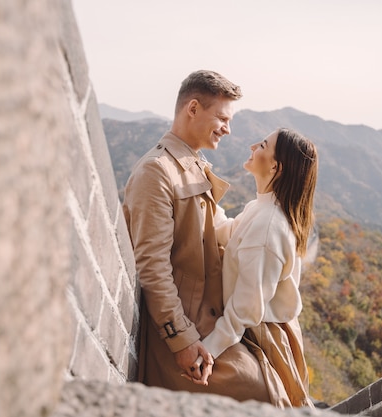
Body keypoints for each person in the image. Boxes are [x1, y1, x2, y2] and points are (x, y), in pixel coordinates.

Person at [123, 70, 270, 401]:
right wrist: (183, 341)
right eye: (221, 117)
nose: (227, 129)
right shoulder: (156, 171)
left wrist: (272, 220)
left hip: (208, 320)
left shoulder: (192, 164)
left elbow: (220, 229)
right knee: (261, 391)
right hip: (183, 332)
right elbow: (152, 266)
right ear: (192, 108)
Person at [196, 128, 318, 407]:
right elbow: (225, 232)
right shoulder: (260, 208)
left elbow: (248, 307)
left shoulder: (269, 227)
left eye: (262, 145)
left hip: (261, 332)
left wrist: (210, 349)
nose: (253, 146)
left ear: (275, 166)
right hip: (250, 320)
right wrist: (204, 189)